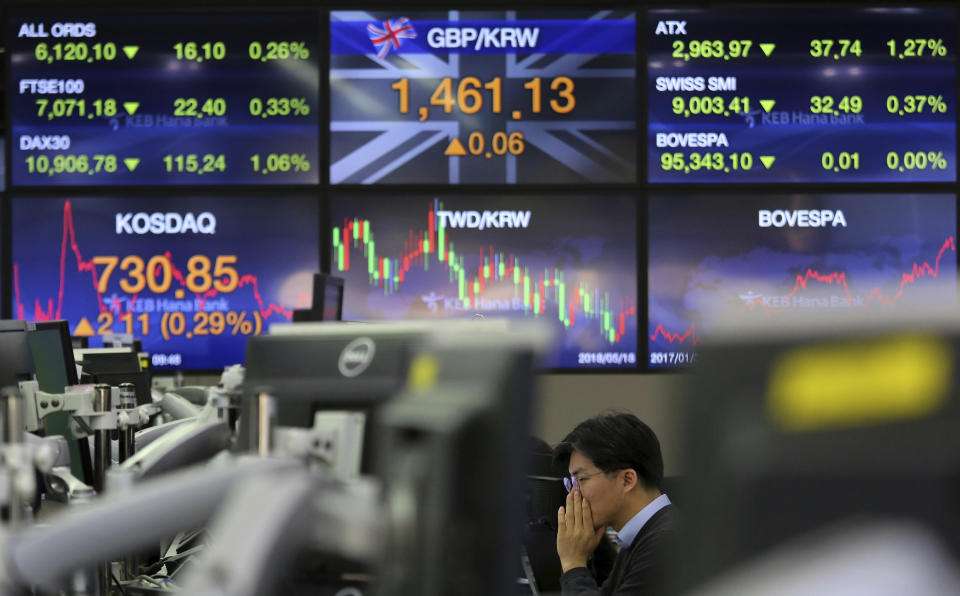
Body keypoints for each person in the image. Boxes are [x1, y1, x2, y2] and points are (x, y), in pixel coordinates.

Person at [553, 412, 678, 595]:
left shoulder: (664, 544)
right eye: (571, 483)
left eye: (581, 479)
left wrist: (573, 563)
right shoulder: (643, 536)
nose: (574, 494)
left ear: (627, 480)